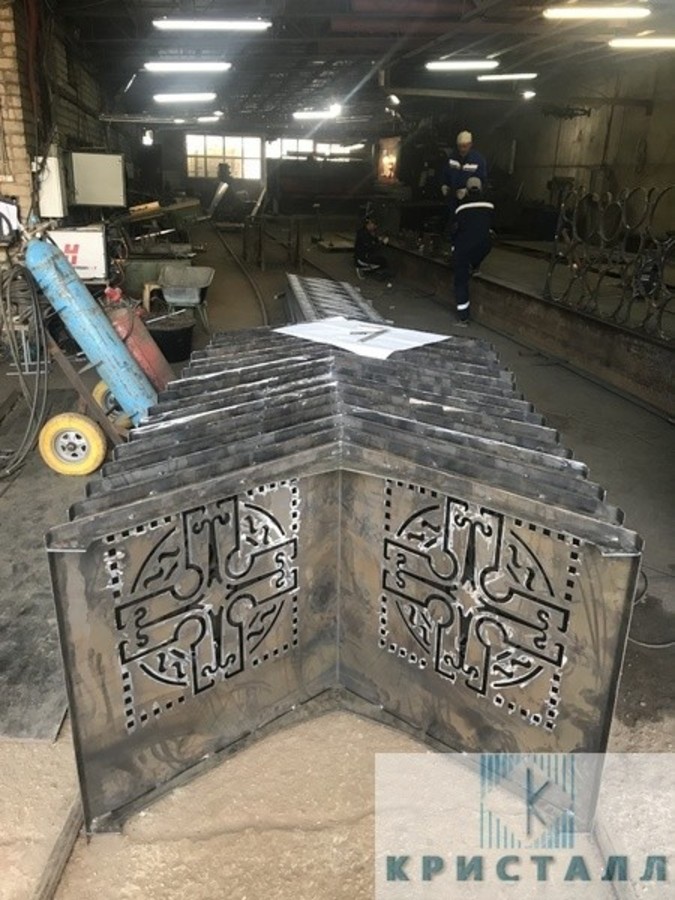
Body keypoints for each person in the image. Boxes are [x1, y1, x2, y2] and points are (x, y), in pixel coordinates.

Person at [450, 176, 494, 325]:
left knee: (460, 281)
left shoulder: (461, 208)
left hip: (464, 248)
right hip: (484, 246)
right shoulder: (489, 205)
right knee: (483, 243)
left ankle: (463, 317)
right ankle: (475, 266)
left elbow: (454, 230)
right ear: (481, 189)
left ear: (467, 190)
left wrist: (453, 248)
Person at [442, 130, 488, 199]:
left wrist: (467, 191)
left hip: (470, 200)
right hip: (452, 198)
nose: (462, 149)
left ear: (470, 144)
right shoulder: (452, 158)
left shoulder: (478, 160)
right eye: (459, 146)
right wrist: (444, 185)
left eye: (464, 146)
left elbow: (482, 182)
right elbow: (445, 174)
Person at [354, 217, 392, 283]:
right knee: (383, 262)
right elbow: (371, 247)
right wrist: (383, 243)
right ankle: (363, 269)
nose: (375, 227)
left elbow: (372, 239)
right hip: (362, 258)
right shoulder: (364, 234)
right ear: (370, 224)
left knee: (381, 259)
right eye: (374, 225)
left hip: (362, 256)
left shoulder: (363, 231)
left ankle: (366, 268)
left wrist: (378, 239)